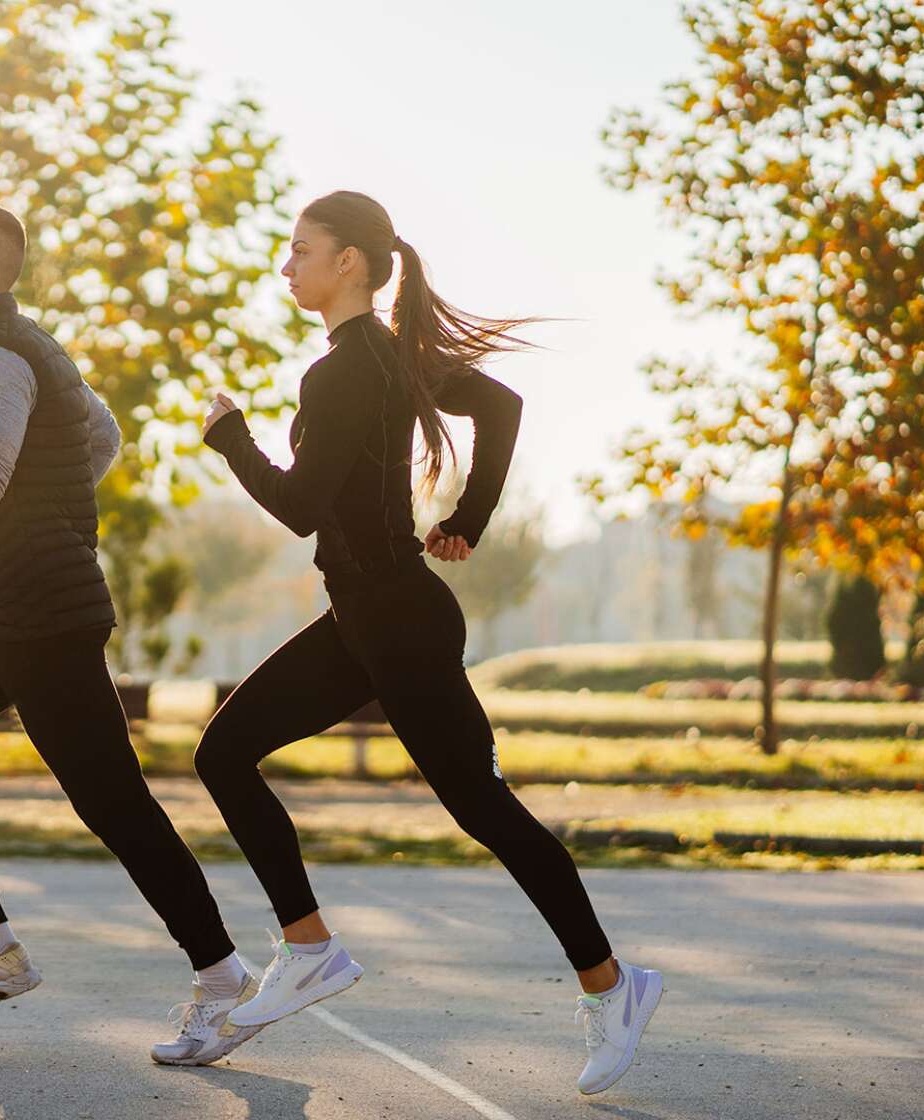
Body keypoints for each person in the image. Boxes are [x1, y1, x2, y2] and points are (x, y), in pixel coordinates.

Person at [194, 190, 664, 1095]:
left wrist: (231, 438)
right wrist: (470, 516)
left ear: (351, 265)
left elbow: (296, 507)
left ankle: (614, 988)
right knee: (225, 752)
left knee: (485, 810)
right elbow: (504, 404)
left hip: (399, 623)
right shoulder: (382, 359)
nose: (285, 266)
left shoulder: (345, 371)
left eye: (300, 250)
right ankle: (310, 948)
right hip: (365, 620)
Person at [0, 200, 260, 1066]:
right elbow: (98, 437)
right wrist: (45, 509)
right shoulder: (27, 345)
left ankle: (226, 981)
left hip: (39, 620)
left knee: (114, 805)